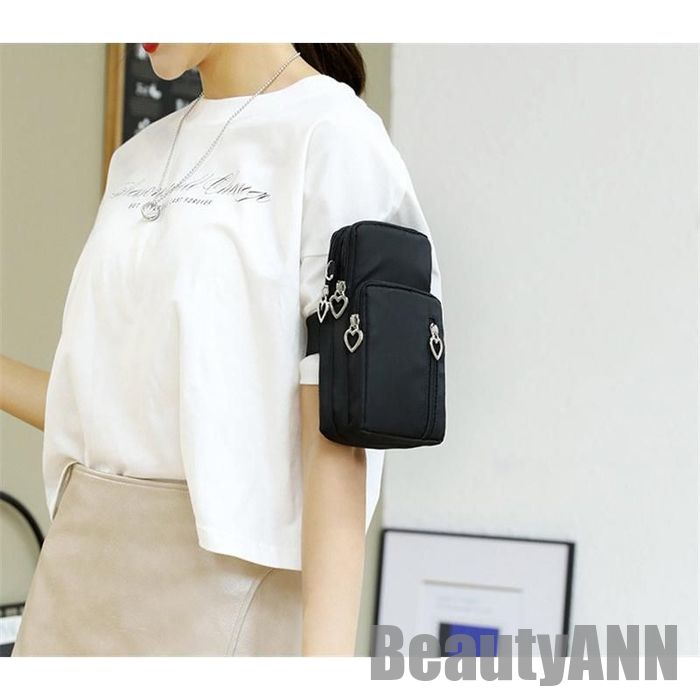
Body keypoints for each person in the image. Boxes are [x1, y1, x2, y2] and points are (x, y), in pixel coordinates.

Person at [0, 43, 443, 656]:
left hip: (220, 601)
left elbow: (339, 438)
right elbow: (106, 411)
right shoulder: (137, 159)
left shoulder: (336, 138)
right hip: (71, 576)